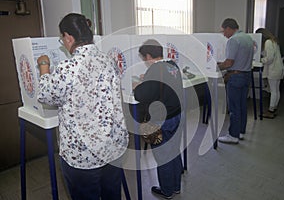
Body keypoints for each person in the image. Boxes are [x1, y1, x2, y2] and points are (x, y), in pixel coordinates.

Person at [37, 13, 128, 200]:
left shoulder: (67, 68)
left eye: (62, 39)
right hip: (112, 147)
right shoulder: (108, 60)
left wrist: (44, 67)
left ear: (69, 37)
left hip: (82, 155)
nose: (63, 43)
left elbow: (45, 95)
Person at [133, 39, 183, 199]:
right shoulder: (172, 65)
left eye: (143, 58)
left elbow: (142, 95)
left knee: (163, 156)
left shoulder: (154, 70)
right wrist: (146, 79)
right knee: (174, 151)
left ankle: (167, 190)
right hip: (177, 115)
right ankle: (175, 187)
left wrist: (137, 86)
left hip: (162, 119)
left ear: (148, 55)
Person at [217, 18, 254, 144]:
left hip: (235, 77)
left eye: (223, 31)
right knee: (242, 105)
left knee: (234, 107)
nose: (223, 34)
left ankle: (233, 135)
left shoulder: (233, 40)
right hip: (246, 75)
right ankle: (240, 132)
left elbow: (229, 63)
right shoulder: (248, 38)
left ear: (228, 28)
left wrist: (215, 66)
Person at [255, 28, 284, 118]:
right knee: (276, 90)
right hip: (278, 68)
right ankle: (274, 108)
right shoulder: (273, 41)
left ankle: (270, 111)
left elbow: (270, 58)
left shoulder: (268, 42)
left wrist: (260, 60)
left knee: (273, 91)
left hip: (274, 69)